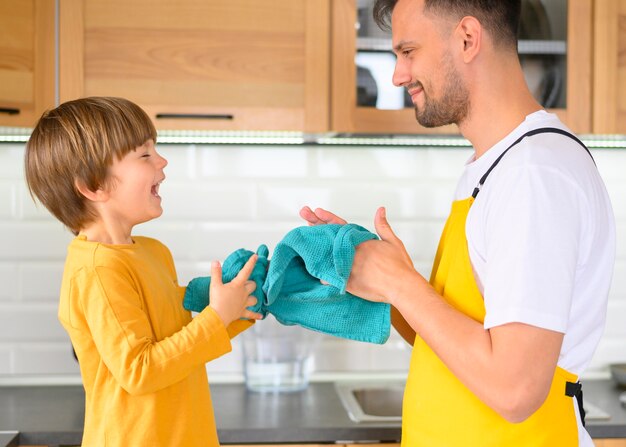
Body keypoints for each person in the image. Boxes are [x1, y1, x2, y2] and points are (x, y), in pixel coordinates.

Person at [300, 0, 615, 445]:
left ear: (468, 38)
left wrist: (402, 285)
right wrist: (380, 276)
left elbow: (514, 389)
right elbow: (461, 342)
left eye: (408, 51)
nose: (397, 75)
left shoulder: (534, 173)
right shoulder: (493, 166)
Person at [24, 96, 262, 447]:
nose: (163, 161)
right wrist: (216, 317)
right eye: (145, 154)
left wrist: (236, 310)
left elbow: (180, 347)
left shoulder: (152, 252)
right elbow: (140, 371)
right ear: (94, 185)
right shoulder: (97, 271)